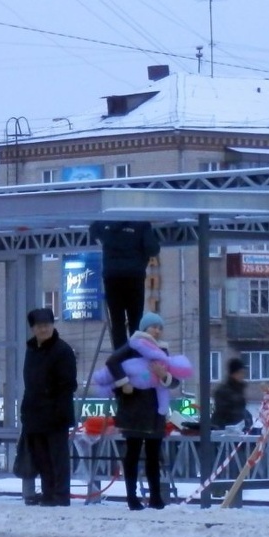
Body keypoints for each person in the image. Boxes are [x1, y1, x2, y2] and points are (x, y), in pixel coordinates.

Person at [106, 312, 180, 511]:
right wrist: (125, 382)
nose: (157, 330)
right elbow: (112, 362)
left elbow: (175, 380)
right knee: (133, 452)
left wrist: (164, 376)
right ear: (144, 328)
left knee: (154, 455)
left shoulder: (163, 351)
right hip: (134, 408)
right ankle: (132, 496)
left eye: (160, 327)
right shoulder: (133, 346)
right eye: (153, 326)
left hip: (156, 409)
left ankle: (155, 496)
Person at [18, 307, 78, 507]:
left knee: (57, 457)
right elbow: (29, 383)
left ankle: (61, 495)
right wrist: (26, 410)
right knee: (41, 456)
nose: (44, 330)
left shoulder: (62, 350)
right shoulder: (32, 350)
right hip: (35, 413)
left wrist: (58, 410)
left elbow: (68, 384)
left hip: (55, 414)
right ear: (33, 329)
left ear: (53, 326)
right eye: (39, 326)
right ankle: (47, 493)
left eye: (47, 325)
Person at [89, 219, 160, 345]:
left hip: (112, 277)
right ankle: (135, 354)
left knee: (117, 321)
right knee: (135, 320)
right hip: (134, 277)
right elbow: (152, 249)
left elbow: (93, 231)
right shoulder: (142, 224)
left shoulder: (105, 221)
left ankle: (120, 355)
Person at [211, 357, 252, 431]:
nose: (242, 375)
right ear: (233, 373)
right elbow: (224, 413)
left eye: (243, 373)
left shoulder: (238, 389)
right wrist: (244, 418)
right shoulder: (223, 391)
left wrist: (247, 419)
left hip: (237, 431)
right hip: (224, 431)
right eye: (240, 372)